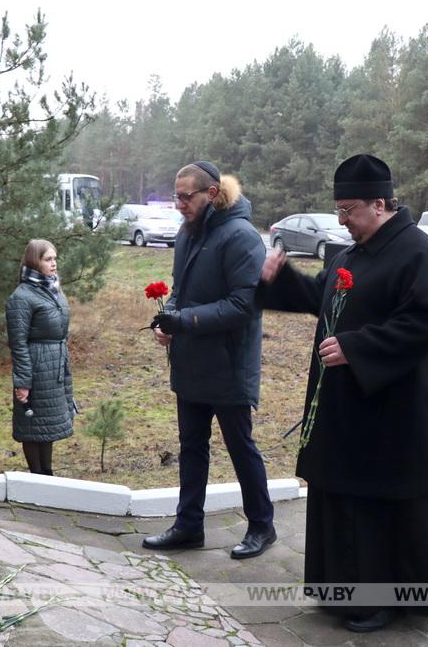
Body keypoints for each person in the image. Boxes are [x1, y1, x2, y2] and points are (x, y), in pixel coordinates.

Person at [260, 154, 428, 632]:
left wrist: (357, 348)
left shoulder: (419, 252)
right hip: (346, 404)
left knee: (380, 501)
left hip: (395, 407)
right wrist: (280, 280)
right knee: (345, 496)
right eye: (338, 210)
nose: (342, 220)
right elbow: (324, 300)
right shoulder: (350, 253)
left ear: (380, 203)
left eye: (349, 209)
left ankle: (383, 601)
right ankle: (342, 588)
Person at [142, 161, 276, 560]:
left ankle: (262, 526)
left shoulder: (242, 237)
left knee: (241, 446)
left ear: (211, 194)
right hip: (191, 360)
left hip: (230, 364)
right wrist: (167, 323)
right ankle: (188, 526)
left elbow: (244, 305)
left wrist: (185, 320)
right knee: (192, 446)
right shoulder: (188, 234)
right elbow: (181, 291)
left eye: (186, 196)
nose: (178, 204)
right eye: (176, 196)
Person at [6, 239, 75, 476]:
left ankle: (48, 474)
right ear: (35, 262)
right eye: (48, 259)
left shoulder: (52, 289)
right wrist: (23, 381)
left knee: (47, 425)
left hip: (54, 365)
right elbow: (18, 343)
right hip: (36, 367)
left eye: (55, 258)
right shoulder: (22, 297)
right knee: (32, 426)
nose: (54, 264)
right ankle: (37, 476)